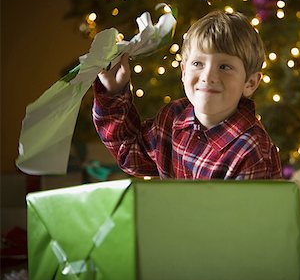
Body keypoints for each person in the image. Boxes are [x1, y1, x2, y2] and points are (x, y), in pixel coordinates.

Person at [93, 10, 282, 179]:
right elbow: (131, 155)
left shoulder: (250, 150)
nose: (208, 77)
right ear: (184, 72)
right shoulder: (173, 117)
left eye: (224, 67)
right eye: (197, 64)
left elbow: (243, 217)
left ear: (249, 83)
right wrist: (114, 92)